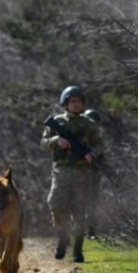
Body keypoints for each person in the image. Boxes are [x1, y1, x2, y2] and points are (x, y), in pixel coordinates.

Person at [40, 86, 102, 263]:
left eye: (79, 101)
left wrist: (92, 153)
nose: (76, 104)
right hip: (61, 170)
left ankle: (77, 250)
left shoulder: (89, 124)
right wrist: (56, 140)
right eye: (73, 101)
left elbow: (100, 144)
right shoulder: (57, 121)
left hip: (82, 171)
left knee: (79, 210)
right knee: (56, 204)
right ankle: (63, 237)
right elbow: (43, 143)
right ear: (66, 103)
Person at [83, 108, 103, 239]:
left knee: (92, 204)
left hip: (93, 176)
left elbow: (101, 155)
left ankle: (90, 231)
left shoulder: (97, 140)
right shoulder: (79, 137)